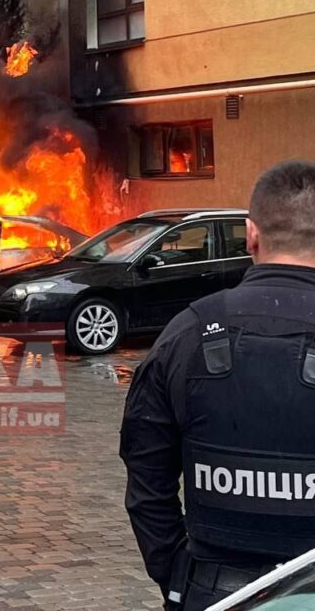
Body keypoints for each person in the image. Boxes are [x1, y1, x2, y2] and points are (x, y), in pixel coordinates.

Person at [120, 160, 315, 610]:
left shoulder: (186, 333)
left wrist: (178, 577)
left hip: (213, 592)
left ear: (251, 234)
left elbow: (147, 479)